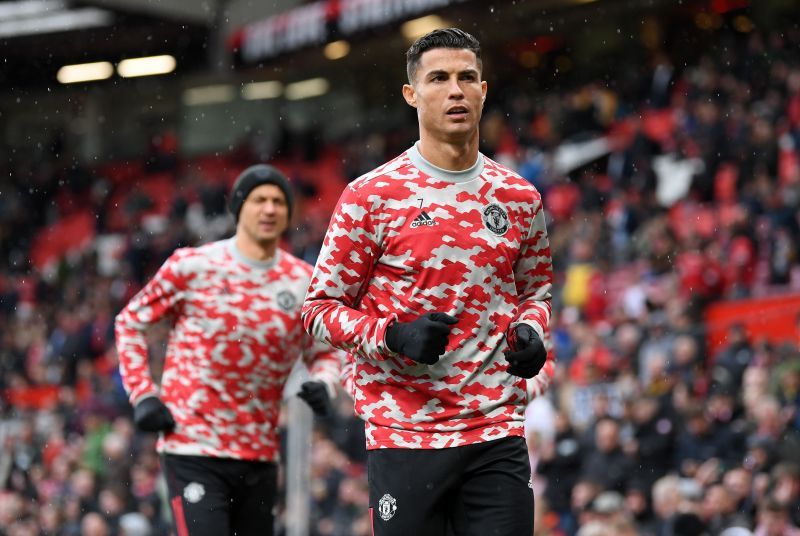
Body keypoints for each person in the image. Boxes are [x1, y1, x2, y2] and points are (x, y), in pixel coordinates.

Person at [302, 28, 554, 535]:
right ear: (411, 94)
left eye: (467, 78)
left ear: (484, 90)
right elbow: (318, 311)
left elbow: (536, 293)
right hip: (405, 436)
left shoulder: (519, 197)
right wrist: (393, 335)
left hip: (495, 431)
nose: (455, 91)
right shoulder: (370, 196)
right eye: (438, 79)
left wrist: (532, 335)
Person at [115, 164, 343, 536]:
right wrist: (143, 394)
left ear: (288, 213)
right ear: (239, 208)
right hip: (193, 447)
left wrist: (325, 382)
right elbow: (130, 322)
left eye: (277, 202)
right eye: (258, 200)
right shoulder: (193, 266)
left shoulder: (303, 281)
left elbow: (326, 351)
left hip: (260, 454)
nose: (269, 209)